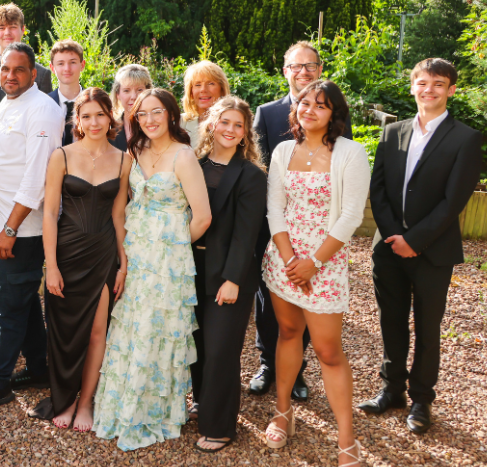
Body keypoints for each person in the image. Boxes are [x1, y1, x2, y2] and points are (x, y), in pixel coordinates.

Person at [361, 58, 483, 434]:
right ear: (412, 86)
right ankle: (392, 390)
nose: (429, 90)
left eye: (438, 84)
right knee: (391, 321)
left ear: (451, 90)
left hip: (433, 251)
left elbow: (454, 199)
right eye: (423, 83)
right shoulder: (391, 131)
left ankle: (421, 400)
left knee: (428, 329)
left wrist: (414, 240)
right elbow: (378, 189)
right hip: (389, 249)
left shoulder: (466, 138)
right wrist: (395, 235)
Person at [93, 88, 211, 450]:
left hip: (168, 263)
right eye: (141, 114)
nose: (149, 120)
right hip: (134, 253)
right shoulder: (135, 151)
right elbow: (121, 205)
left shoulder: (184, 156)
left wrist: (170, 249)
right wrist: (127, 252)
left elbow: (203, 217)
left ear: (171, 113)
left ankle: (155, 412)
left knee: (159, 330)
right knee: (130, 327)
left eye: (155, 112)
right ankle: (123, 406)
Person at [260, 80, 368, 466]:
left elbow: (351, 216)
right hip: (283, 262)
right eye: (304, 103)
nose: (309, 110)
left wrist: (313, 263)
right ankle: (283, 412)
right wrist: (290, 260)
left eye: (320, 106)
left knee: (328, 351)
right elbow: (274, 208)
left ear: (334, 114)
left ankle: (346, 439)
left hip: (325, 264)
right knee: (288, 332)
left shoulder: (351, 153)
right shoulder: (283, 150)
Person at [0, 42, 65, 410]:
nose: (10, 76)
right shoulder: (8, 103)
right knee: (22, 300)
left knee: (10, 304)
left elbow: (38, 178)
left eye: (19, 70)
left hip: (23, 228)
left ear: (34, 74)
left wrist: (10, 229)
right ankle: (38, 368)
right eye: (5, 69)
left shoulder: (43, 111)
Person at [250, 41, 353, 401]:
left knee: (310, 307)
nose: (303, 72)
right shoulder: (266, 113)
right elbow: (258, 170)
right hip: (273, 228)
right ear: (285, 71)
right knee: (270, 304)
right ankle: (267, 363)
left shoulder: (334, 109)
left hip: (320, 232)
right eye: (296, 66)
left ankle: (297, 374)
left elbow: (343, 171)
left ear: (319, 70)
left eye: (310, 65)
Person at [29, 87, 128, 431]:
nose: (94, 121)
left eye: (100, 114)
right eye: (86, 116)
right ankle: (65, 399)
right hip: (66, 255)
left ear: (110, 117)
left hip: (103, 256)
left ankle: (85, 403)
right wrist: (51, 266)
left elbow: (119, 216)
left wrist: (124, 264)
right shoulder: (63, 156)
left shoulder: (123, 159)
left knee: (98, 331)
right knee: (64, 331)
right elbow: (50, 213)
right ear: (78, 121)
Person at [0, 2, 53, 341]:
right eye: (1, 29)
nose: (6, 33)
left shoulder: (39, 74)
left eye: (12, 28)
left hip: (21, 184)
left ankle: (14, 339)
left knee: (20, 265)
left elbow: (39, 123)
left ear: (21, 31)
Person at [188, 97, 267, 453]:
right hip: (190, 269)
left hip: (229, 274)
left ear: (245, 133)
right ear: (212, 125)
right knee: (198, 346)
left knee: (221, 349)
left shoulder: (251, 175)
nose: (230, 130)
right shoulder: (194, 165)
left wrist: (233, 278)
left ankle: (220, 426)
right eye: (225, 122)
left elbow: (247, 233)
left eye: (238, 125)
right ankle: (204, 403)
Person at [181, 60, 230, 147]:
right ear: (190, 92)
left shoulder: (234, 123)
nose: (203, 89)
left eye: (210, 83)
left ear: (222, 89)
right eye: (197, 85)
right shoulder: (179, 123)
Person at [47, 39, 86, 147]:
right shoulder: (45, 104)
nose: (67, 69)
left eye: (72, 62)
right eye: (60, 63)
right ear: (52, 68)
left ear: (82, 65)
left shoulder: (95, 102)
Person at [108, 64, 153, 151]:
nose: (133, 96)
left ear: (148, 91)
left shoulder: (158, 125)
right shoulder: (108, 130)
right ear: (118, 94)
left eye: (139, 90)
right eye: (126, 90)